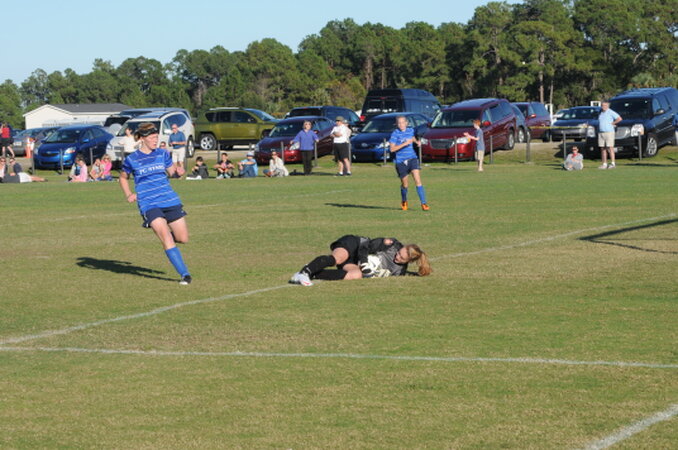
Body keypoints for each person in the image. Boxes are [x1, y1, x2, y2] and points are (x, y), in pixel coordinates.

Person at [119, 122, 192, 285]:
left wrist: (178, 172)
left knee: (183, 238)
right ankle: (185, 275)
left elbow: (172, 173)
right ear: (142, 138)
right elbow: (123, 178)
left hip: (169, 199)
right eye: (152, 137)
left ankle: (168, 241)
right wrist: (128, 194)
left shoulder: (162, 154)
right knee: (165, 236)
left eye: (156, 137)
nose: (155, 140)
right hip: (149, 203)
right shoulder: (132, 159)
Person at [289, 234, 431, 286]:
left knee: (356, 275)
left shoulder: (399, 270)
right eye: (399, 253)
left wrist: (418, 274)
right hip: (355, 244)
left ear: (408, 261)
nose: (397, 256)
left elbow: (405, 274)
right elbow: (365, 246)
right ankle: (305, 272)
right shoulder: (391, 244)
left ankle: (313, 273)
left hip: (355, 261)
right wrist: (364, 263)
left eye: (401, 258)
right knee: (338, 258)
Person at [389, 116, 429, 211]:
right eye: (399, 123)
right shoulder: (395, 134)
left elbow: (412, 137)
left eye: (403, 122)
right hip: (401, 162)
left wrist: (417, 142)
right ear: (396, 124)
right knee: (405, 184)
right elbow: (392, 149)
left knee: (417, 180)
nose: (401, 124)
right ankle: (404, 200)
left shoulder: (410, 130)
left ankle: (424, 203)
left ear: (406, 123)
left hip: (412, 158)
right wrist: (404, 144)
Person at [597, 101, 622, 169]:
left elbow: (619, 118)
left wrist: (613, 123)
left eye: (605, 105)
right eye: (602, 105)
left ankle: (613, 163)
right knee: (603, 148)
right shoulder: (600, 113)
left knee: (610, 148)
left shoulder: (611, 112)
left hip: (609, 132)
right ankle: (604, 164)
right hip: (601, 132)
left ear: (608, 106)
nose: (603, 107)